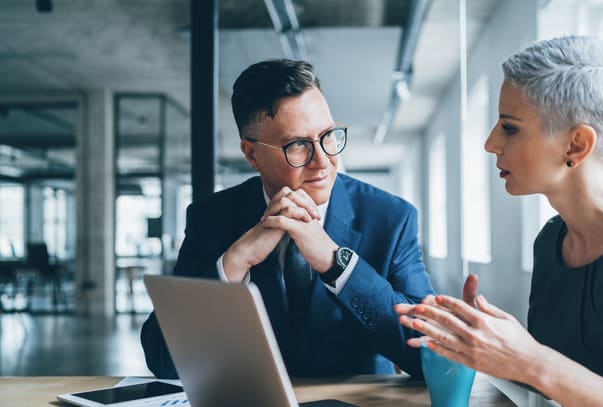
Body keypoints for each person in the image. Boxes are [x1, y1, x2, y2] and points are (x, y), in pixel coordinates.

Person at [395, 35, 603, 406]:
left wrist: (530, 360)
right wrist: (485, 346)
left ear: (576, 145)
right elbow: (562, 386)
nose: (490, 143)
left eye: (509, 127)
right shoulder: (553, 239)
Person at [142, 59, 434, 379]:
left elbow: (427, 354)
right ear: (252, 154)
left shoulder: (391, 218)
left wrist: (338, 265)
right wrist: (235, 262)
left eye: (328, 135)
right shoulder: (210, 219)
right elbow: (162, 360)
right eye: (298, 145)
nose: (323, 162)